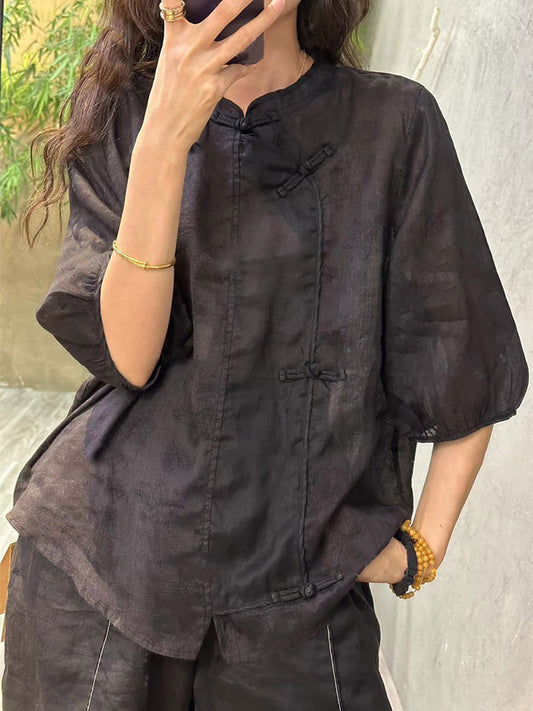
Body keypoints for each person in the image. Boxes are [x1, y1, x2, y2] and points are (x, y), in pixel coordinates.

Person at [2, 0, 529, 708]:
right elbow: (130, 357)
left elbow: (468, 356)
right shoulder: (130, 112)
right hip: (101, 575)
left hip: (297, 606)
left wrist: (418, 550)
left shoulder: (392, 124)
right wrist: (164, 140)